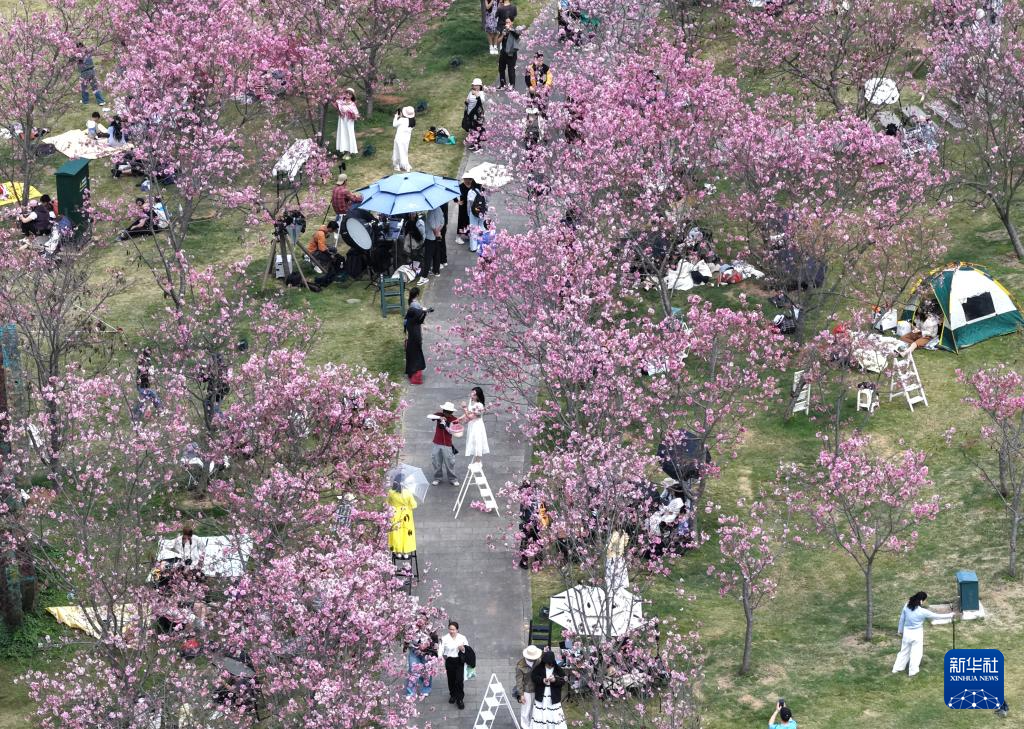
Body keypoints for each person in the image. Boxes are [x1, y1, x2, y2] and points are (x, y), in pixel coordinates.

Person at [892, 591, 956, 677]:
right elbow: (936, 616)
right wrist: (950, 615)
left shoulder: (906, 605)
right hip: (917, 634)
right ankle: (912, 672)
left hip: (906, 633)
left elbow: (902, 618)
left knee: (904, 651)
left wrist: (900, 630)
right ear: (921, 601)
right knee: (916, 653)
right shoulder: (922, 611)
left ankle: (897, 668)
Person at [530, 651, 567, 729]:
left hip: (554, 696)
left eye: (550, 664)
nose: (549, 666)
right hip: (541, 695)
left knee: (553, 713)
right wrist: (542, 680)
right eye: (547, 664)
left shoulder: (558, 669)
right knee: (541, 712)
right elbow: (534, 677)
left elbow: (563, 680)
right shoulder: (539, 668)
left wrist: (555, 680)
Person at [438, 621, 468, 709]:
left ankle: (460, 699)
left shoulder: (462, 638)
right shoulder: (444, 638)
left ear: (457, 630)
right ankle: (453, 695)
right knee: (451, 680)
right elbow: (440, 650)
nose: (451, 631)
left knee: (459, 680)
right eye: (450, 629)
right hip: (449, 660)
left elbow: (467, 649)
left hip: (459, 661)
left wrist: (463, 648)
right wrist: (440, 658)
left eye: (453, 629)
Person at [404, 287, 430, 384]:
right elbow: (420, 314)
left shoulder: (409, 321)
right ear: (417, 294)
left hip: (412, 337)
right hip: (415, 338)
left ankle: (412, 371)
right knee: (416, 352)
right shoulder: (415, 305)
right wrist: (425, 311)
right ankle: (415, 373)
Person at [429, 402, 459, 485]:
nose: (446, 414)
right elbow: (429, 416)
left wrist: (445, 425)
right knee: (436, 461)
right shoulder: (439, 415)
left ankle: (453, 479)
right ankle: (437, 478)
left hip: (447, 444)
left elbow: (453, 431)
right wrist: (439, 417)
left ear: (451, 412)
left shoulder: (454, 419)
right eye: (445, 411)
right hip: (437, 442)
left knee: (450, 462)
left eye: (448, 412)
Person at [387, 477, 418, 555]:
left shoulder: (391, 492)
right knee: (406, 532)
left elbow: (388, 503)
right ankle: (406, 552)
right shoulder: (408, 493)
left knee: (396, 532)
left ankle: (398, 551)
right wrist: (407, 506)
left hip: (395, 514)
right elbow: (414, 505)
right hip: (406, 515)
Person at [460, 387, 490, 464]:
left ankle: (478, 462)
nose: (472, 395)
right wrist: (459, 419)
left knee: (477, 442)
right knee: (473, 442)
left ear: (478, 396)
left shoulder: (480, 405)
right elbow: (468, 413)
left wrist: (464, 408)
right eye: (472, 393)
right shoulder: (471, 402)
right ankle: (476, 462)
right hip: (472, 425)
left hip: (477, 426)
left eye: (474, 394)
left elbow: (471, 417)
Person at [418, 205, 445, 285]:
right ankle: (436, 271)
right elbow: (442, 221)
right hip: (437, 236)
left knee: (428, 256)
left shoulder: (431, 211)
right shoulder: (439, 208)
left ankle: (424, 276)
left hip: (430, 236)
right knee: (436, 254)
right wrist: (438, 231)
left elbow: (431, 223)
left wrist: (435, 232)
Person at [515, 645, 541, 728]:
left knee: (535, 709)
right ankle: (525, 726)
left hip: (537, 689)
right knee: (526, 710)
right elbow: (519, 682)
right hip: (526, 690)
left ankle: (533, 725)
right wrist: (521, 695)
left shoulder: (538, 661)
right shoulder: (520, 666)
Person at [406, 632, 435, 697]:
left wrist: (428, 644)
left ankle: (426, 689)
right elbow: (406, 639)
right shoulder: (411, 628)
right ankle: (410, 691)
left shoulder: (429, 628)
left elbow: (434, 638)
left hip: (426, 651)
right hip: (413, 651)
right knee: (412, 669)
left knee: (427, 670)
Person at [462, 80, 486, 147]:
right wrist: (466, 102)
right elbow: (467, 101)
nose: (473, 86)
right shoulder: (471, 92)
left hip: (477, 115)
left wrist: (476, 95)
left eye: (475, 85)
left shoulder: (481, 93)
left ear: (479, 86)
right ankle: (474, 144)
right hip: (470, 114)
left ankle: (478, 146)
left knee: (477, 129)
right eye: (473, 85)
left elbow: (481, 102)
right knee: (472, 129)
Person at [335, 88, 359, 157]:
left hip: (349, 122)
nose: (348, 95)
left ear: (352, 96)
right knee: (342, 133)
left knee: (348, 134)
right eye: (347, 93)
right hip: (342, 121)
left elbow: (356, 115)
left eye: (350, 94)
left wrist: (353, 116)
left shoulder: (352, 104)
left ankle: (349, 151)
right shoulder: (340, 102)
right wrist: (339, 112)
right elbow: (337, 108)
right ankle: (342, 149)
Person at [498, 19, 521, 89]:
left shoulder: (514, 30)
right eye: (506, 22)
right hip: (503, 53)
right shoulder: (503, 30)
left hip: (511, 53)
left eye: (508, 22)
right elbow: (498, 41)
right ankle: (503, 85)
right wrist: (502, 35)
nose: (507, 23)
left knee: (511, 70)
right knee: (501, 69)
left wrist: (510, 29)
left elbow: (517, 35)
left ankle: (512, 85)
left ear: (512, 23)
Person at [392, 106, 415, 173]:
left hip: (399, 138)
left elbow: (394, 125)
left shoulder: (402, 120)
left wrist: (396, 116)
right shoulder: (412, 121)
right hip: (406, 139)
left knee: (397, 151)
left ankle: (397, 165)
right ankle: (405, 165)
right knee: (404, 152)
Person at [457, 177, 475, 244]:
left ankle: (467, 234)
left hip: (470, 206)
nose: (468, 181)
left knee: (468, 220)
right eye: (467, 179)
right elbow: (454, 193)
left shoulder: (473, 185)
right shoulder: (461, 186)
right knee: (461, 220)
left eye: (470, 179)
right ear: (464, 179)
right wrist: (457, 201)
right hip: (463, 206)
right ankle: (458, 237)